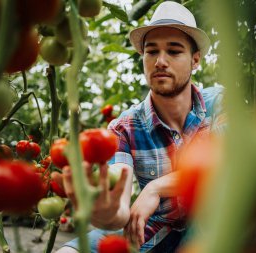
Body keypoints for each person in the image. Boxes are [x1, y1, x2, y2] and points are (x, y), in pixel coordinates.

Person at [56, 1, 225, 252]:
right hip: (153, 230)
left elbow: (228, 161)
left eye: (174, 51)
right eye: (152, 51)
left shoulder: (219, 103)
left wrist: (156, 187)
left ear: (195, 60)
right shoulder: (123, 128)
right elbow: (121, 198)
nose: (160, 61)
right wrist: (107, 212)